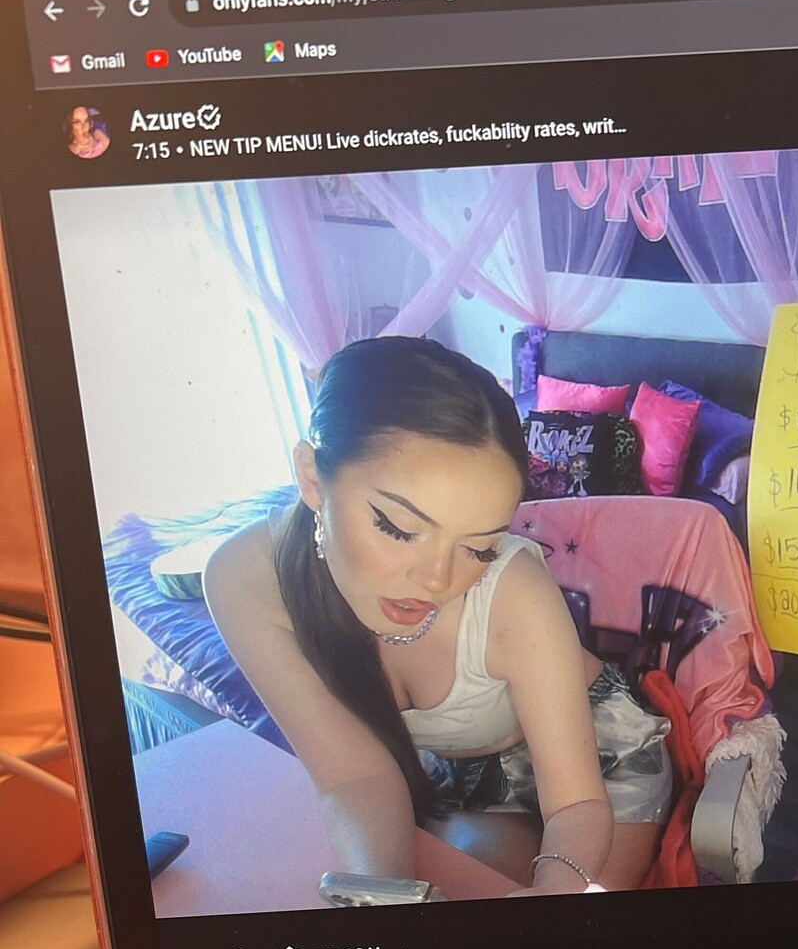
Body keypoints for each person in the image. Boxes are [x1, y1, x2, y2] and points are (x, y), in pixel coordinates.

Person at [205, 336, 672, 898]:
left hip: (598, 759)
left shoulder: (514, 592)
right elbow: (355, 779)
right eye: (398, 528)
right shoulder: (246, 580)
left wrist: (553, 893)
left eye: (478, 548)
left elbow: (576, 801)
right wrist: (376, 900)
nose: (436, 579)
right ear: (311, 477)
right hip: (465, 775)